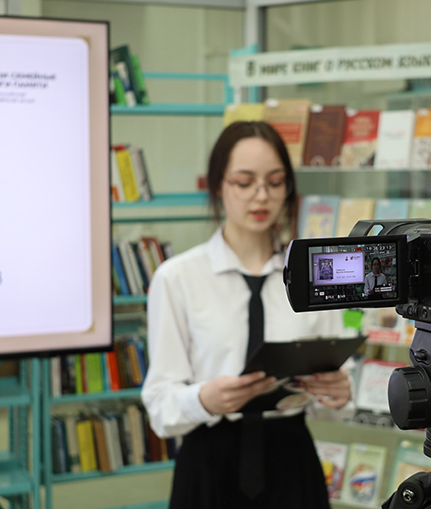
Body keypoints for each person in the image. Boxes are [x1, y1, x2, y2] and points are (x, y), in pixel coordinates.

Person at [141, 121, 353, 509]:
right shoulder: (178, 278)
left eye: (275, 182)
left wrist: (338, 394)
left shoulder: (314, 273)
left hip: (292, 460)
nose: (262, 196)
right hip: (209, 461)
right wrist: (204, 400)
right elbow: (159, 406)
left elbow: (332, 402)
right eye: (244, 182)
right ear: (217, 185)